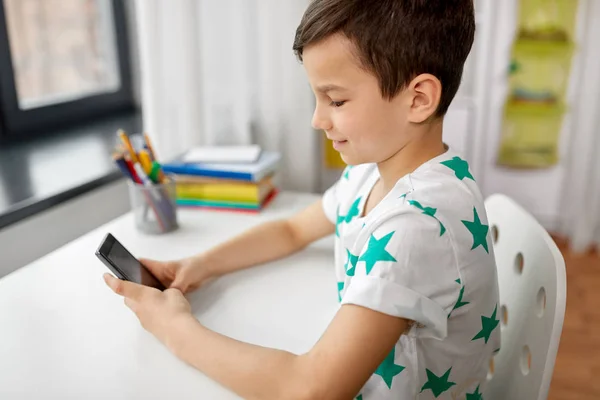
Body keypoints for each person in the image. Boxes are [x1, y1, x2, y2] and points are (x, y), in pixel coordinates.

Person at [104, 0, 500, 398]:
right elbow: (293, 229)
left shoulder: (419, 224)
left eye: (336, 100)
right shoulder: (371, 172)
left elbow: (309, 390)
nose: (317, 119)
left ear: (418, 99)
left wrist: (175, 329)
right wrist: (201, 265)